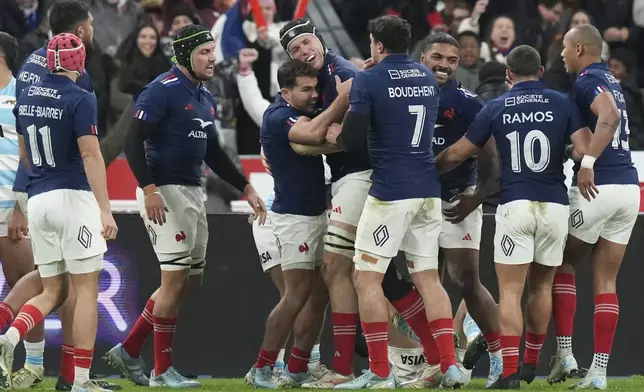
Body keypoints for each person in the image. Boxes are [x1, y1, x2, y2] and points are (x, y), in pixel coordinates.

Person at [277, 18, 445, 389]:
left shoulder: (347, 73)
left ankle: (349, 368)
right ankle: (433, 357)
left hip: (362, 177)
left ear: (319, 39)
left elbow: (354, 137)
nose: (304, 52)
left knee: (338, 267)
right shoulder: (324, 79)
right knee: (386, 277)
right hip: (378, 180)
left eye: (307, 43)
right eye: (295, 50)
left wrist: (323, 139)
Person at [104, 24, 265, 388]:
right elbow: (132, 140)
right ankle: (162, 372)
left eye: (213, 51)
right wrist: (148, 189)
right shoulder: (161, 90)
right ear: (186, 54)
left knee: (190, 280)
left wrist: (245, 186)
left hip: (193, 191)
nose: (212, 58)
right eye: (205, 51)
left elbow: (213, 151)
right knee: (174, 280)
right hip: (165, 191)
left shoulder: (203, 96)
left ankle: (129, 350)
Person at [435, 45, 591, 389]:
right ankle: (531, 363)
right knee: (542, 287)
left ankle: (508, 372)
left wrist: (424, 170)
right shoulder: (562, 102)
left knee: (510, 292)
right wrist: (568, 151)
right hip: (554, 205)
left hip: (514, 204)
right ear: (540, 72)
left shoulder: (496, 106)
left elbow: (459, 153)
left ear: (508, 75)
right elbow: (583, 148)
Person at [326, 15, 466, 389]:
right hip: (427, 189)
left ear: (376, 43)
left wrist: (336, 131)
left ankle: (378, 371)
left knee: (365, 278)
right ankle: (449, 365)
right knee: (429, 278)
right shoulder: (426, 78)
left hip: (390, 192)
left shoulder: (368, 80)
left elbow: (353, 139)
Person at [5, 1, 120, 390]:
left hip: (37, 197)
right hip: (72, 195)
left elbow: (22, 145)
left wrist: (29, 187)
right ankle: (80, 379)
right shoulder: (79, 93)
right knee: (85, 290)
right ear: (79, 57)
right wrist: (105, 209)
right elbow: (90, 152)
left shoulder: (28, 82)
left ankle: (11, 334)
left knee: (52, 287)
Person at [548, 24, 640, 390]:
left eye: (566, 49)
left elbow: (609, 117)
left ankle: (566, 355)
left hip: (597, 188)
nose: (562, 55)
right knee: (606, 280)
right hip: (628, 189)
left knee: (562, 263)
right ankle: (599, 372)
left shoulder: (587, 81)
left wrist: (585, 164)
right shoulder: (612, 80)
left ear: (581, 48)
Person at [248, 59, 345, 389]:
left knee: (319, 296)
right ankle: (261, 367)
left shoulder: (295, 113)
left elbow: (317, 137)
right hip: (294, 219)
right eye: (306, 90)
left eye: (316, 87)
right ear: (285, 92)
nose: (314, 95)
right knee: (296, 295)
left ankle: (297, 368)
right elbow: (316, 133)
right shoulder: (278, 116)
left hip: (317, 212)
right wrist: (341, 101)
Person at [418, 32, 502, 388]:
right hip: (417, 198)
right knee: (420, 282)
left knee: (466, 281)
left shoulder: (467, 103)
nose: (445, 66)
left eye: (452, 61)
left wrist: (478, 195)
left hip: (457, 197)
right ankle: (432, 362)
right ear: (422, 56)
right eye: (438, 57)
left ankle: (500, 358)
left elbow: (493, 159)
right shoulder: (402, 94)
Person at [0, 30, 47, 390]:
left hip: (11, 208)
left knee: (25, 284)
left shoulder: (24, 97)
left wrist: (20, 208)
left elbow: (31, 160)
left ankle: (32, 367)